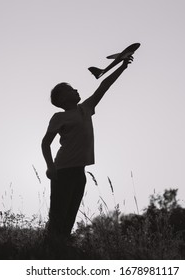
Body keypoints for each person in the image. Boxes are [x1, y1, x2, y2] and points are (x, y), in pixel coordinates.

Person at [41, 55, 133, 256]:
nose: (76, 90)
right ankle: (48, 252)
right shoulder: (59, 117)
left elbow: (104, 85)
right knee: (58, 215)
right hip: (63, 171)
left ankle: (61, 249)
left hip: (79, 172)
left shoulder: (86, 108)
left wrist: (122, 67)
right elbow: (45, 143)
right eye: (70, 89)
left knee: (70, 215)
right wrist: (50, 167)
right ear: (63, 99)